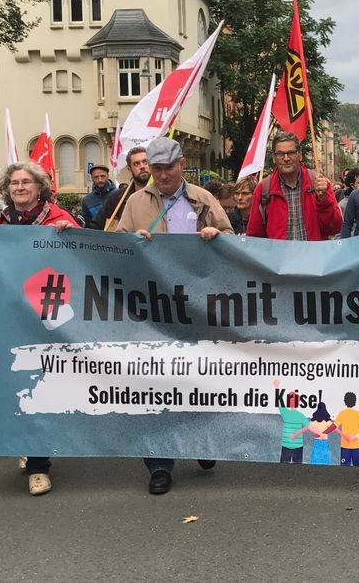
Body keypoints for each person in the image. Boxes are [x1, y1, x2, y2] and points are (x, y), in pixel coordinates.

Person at [0, 161, 78, 496]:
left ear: (40, 187)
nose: (19, 187)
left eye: (26, 182)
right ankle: (26, 444)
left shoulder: (58, 220)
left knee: (42, 383)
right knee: (16, 384)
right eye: (14, 183)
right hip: (10, 319)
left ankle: (38, 465)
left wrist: (71, 235)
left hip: (49, 315)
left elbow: (83, 263)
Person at [116, 136, 231, 495]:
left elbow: (231, 237)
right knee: (156, 385)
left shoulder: (202, 199)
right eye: (156, 168)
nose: (163, 175)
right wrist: (131, 242)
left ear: (182, 164)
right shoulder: (136, 202)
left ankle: (201, 443)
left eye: (169, 167)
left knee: (199, 380)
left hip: (198, 306)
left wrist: (217, 234)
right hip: (154, 308)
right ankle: (159, 464)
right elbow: (117, 248)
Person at [247, 132, 341, 240]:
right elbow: (254, 237)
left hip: (313, 255)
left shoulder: (318, 184)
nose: (286, 158)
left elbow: (334, 228)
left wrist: (323, 201)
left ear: (299, 154)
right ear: (274, 158)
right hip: (279, 256)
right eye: (280, 154)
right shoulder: (263, 190)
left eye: (291, 153)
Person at [89, 146, 150, 230]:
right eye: (136, 163)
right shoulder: (118, 198)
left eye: (145, 162)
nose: (142, 166)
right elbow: (95, 228)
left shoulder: (164, 193)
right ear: (129, 169)